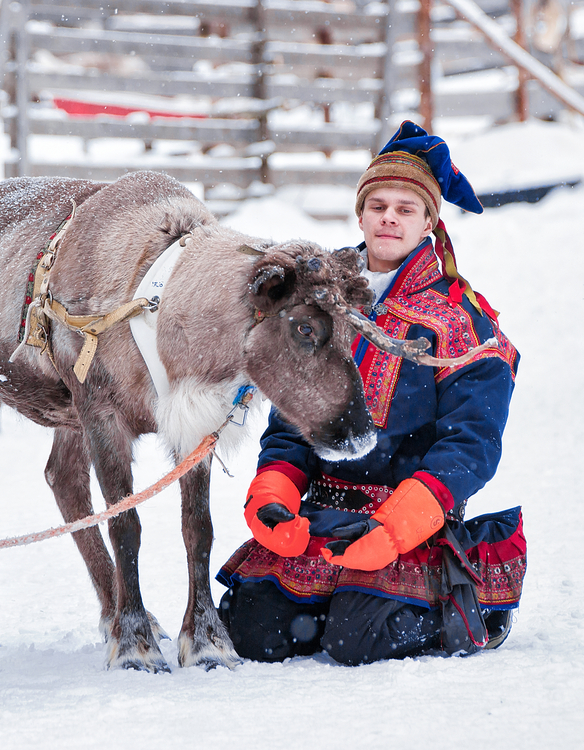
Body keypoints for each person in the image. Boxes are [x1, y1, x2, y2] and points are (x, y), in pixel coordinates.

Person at [216, 121, 526, 666]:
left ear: (430, 221)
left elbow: (471, 442)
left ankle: (472, 605)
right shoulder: (319, 306)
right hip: (323, 513)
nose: (389, 217)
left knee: (355, 640)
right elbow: (294, 417)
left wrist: (400, 525)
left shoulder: (462, 323)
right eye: (377, 204)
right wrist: (274, 493)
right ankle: (332, 599)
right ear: (359, 214)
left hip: (408, 522)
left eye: (406, 209)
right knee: (252, 633)